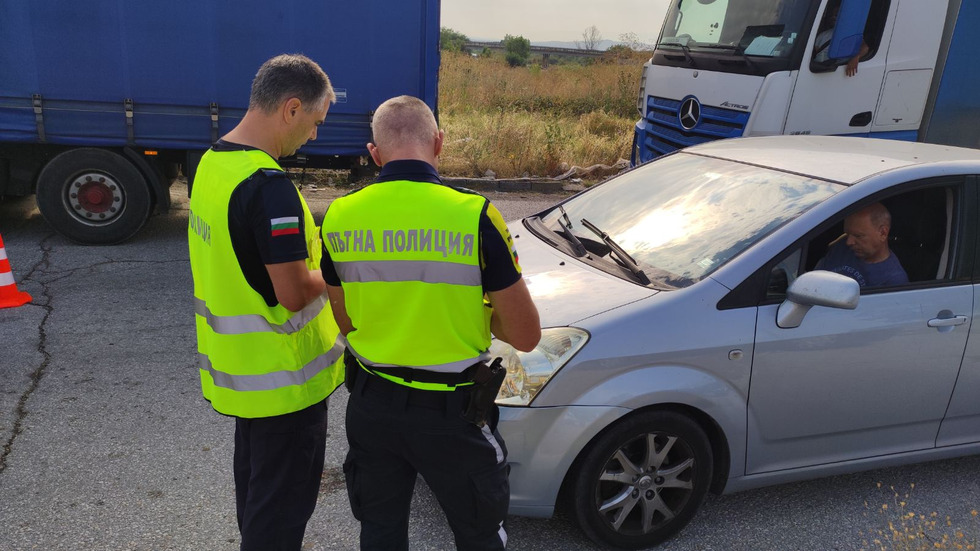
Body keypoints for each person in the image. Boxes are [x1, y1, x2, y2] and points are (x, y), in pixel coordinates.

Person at [320, 95, 541, 550]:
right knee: (479, 533)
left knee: (379, 531)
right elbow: (525, 334)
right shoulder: (475, 216)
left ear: (374, 153)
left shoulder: (340, 215)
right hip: (452, 413)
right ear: (438, 143)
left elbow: (344, 320)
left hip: (372, 405)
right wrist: (476, 312)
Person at [187, 53, 345, 550]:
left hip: (245, 377)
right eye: (315, 123)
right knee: (280, 515)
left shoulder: (212, 164)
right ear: (291, 108)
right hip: (286, 386)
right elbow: (294, 292)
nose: (314, 136)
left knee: (258, 496)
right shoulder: (269, 187)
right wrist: (339, 269)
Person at [816, 202, 909, 287]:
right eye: (847, 234)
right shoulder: (841, 246)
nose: (849, 242)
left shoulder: (893, 280)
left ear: (883, 233)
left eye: (858, 236)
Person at [813, 0, 870, 77]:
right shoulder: (822, 35)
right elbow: (815, 52)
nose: (833, 17)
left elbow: (865, 47)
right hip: (817, 69)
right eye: (832, 15)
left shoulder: (850, 34)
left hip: (836, 71)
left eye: (837, 15)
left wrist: (855, 57)